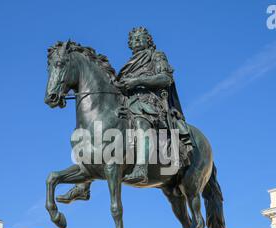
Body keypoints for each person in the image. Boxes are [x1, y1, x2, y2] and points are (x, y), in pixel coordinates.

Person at [56, 27, 192, 203]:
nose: (135, 42)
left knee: (141, 121)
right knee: (101, 133)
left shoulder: (156, 56)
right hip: (128, 104)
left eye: (139, 38)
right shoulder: (129, 64)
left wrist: (137, 81)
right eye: (133, 40)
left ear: (148, 40)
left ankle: (141, 168)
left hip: (150, 102)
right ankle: (83, 185)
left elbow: (165, 78)